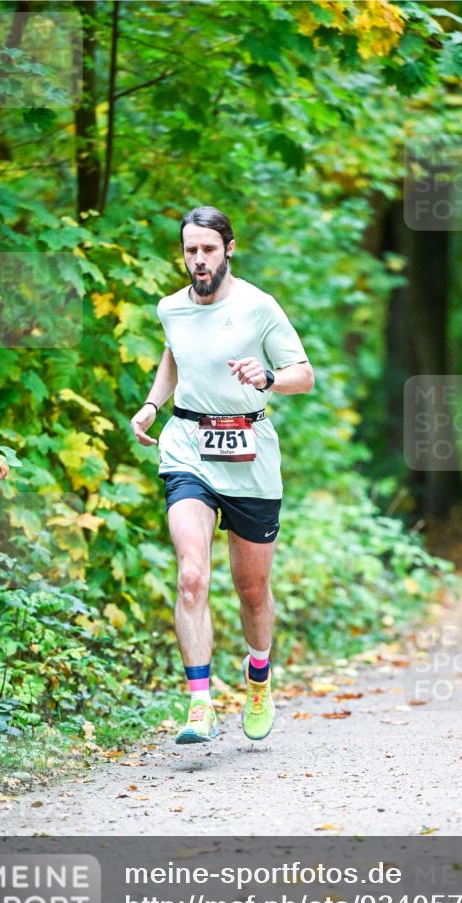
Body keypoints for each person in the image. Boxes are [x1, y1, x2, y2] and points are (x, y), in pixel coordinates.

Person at [130, 206, 314, 745]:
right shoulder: (171, 308)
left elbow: (304, 376)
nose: (198, 259)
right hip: (187, 446)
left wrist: (269, 375)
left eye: (208, 249)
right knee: (191, 574)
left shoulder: (259, 307)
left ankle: (258, 679)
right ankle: (199, 705)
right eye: (190, 250)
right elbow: (174, 356)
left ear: (228, 248)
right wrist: (150, 405)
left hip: (250, 454)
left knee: (251, 589)